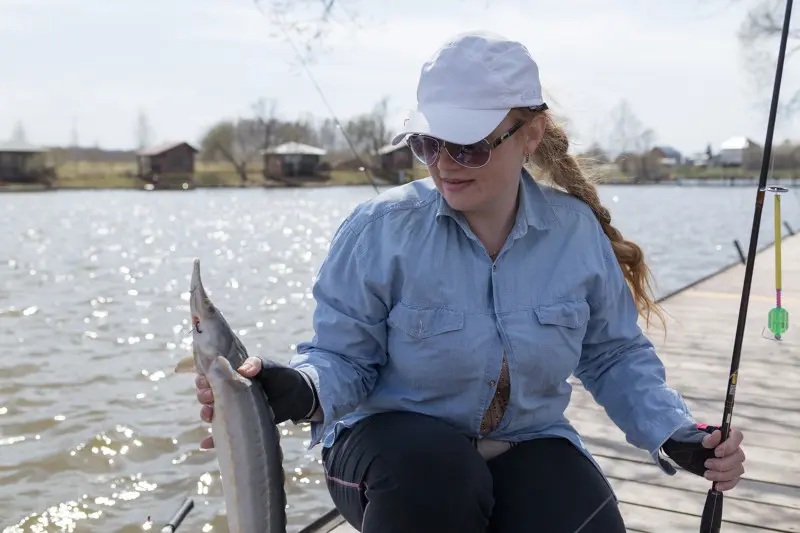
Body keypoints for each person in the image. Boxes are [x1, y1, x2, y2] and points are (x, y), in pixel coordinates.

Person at [193, 30, 746, 532]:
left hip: (528, 441)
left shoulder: (576, 233)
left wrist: (675, 434)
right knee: (436, 476)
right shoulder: (378, 229)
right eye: (427, 143)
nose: (444, 164)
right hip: (389, 450)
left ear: (530, 134)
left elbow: (612, 355)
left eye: (468, 145)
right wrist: (303, 388)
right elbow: (345, 361)